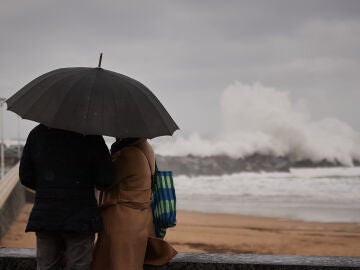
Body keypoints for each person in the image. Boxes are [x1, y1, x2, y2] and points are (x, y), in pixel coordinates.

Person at [19, 124, 115, 270]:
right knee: (78, 265)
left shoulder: (37, 134)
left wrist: (47, 188)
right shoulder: (91, 137)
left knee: (46, 265)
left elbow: (25, 176)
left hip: (46, 215)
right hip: (80, 216)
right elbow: (106, 180)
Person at [92, 138, 177, 270]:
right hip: (142, 220)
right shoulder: (146, 148)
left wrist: (101, 151)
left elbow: (105, 181)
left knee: (118, 263)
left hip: (122, 222)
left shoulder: (127, 154)